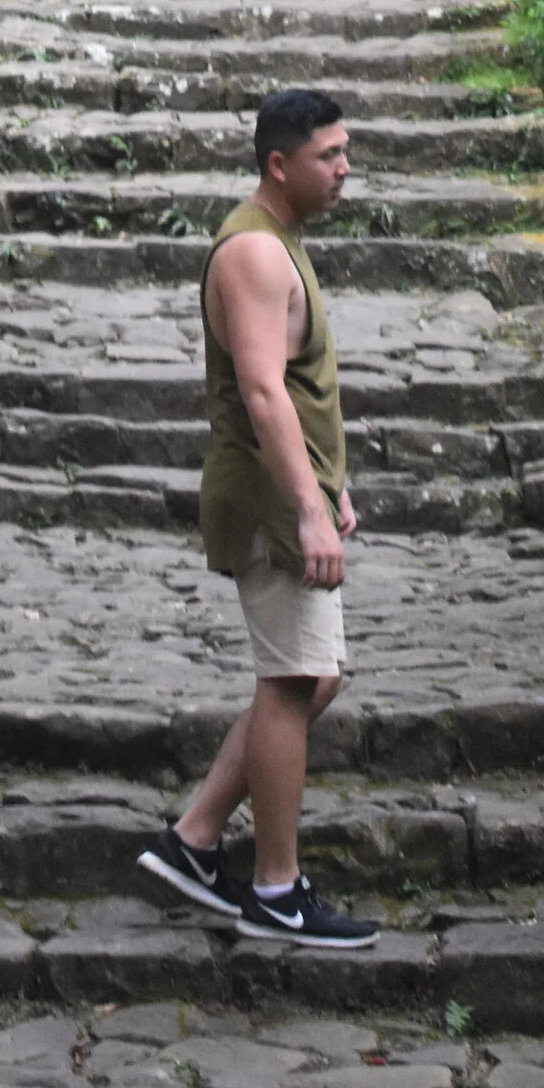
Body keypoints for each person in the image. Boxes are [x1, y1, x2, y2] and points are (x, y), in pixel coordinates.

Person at [137, 84, 379, 950]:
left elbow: (297, 388)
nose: (346, 169)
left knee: (316, 676)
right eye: (330, 156)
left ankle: (195, 840)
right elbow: (262, 390)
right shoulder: (255, 254)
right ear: (279, 164)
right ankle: (276, 887)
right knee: (290, 684)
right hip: (273, 504)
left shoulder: (281, 243)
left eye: (346, 152)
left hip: (293, 491)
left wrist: (331, 482)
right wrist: (308, 510)